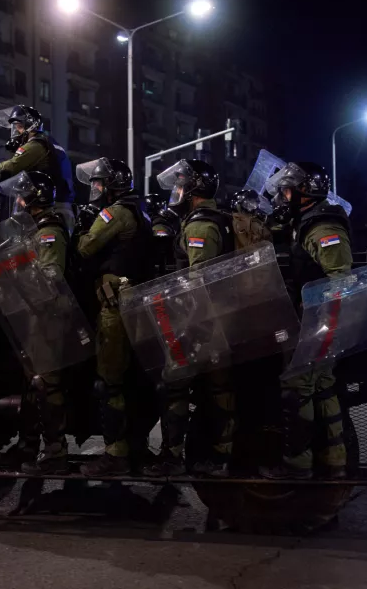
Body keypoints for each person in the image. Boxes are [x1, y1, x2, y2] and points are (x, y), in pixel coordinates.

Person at [144, 159, 237, 478]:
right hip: (218, 318)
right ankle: (222, 455)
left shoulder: (200, 225)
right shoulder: (216, 217)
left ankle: (172, 456)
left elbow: (200, 280)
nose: (177, 191)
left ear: (194, 189)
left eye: (181, 185)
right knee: (218, 388)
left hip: (204, 320)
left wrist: (189, 327)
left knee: (176, 384)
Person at [259, 162, 351, 480]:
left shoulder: (323, 227)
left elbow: (339, 280)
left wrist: (320, 326)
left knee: (296, 388)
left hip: (319, 321)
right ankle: (334, 460)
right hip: (318, 320)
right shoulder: (306, 221)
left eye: (288, 190)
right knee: (323, 388)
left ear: (305, 192)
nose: (283, 197)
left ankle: (297, 464)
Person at [74, 158, 150, 477]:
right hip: (133, 303)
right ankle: (135, 444)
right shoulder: (138, 210)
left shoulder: (116, 212)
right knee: (129, 378)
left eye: (99, 183)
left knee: (110, 380)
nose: (95, 189)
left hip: (115, 307)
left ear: (112, 186)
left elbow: (85, 248)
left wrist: (83, 225)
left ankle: (115, 454)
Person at [0, 171, 73, 475]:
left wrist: (17, 275)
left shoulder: (48, 232)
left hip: (47, 316)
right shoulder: (32, 229)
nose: (18, 200)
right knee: (31, 384)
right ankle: (28, 445)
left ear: (36, 198)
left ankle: (56, 450)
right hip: (33, 314)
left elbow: (50, 277)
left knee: (47, 383)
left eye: (23, 195)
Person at [0, 105, 76, 228]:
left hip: (49, 209)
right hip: (59, 206)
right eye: (15, 128)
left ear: (31, 126)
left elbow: (11, 167)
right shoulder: (50, 142)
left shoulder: (36, 145)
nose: (16, 132)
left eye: (19, 127)